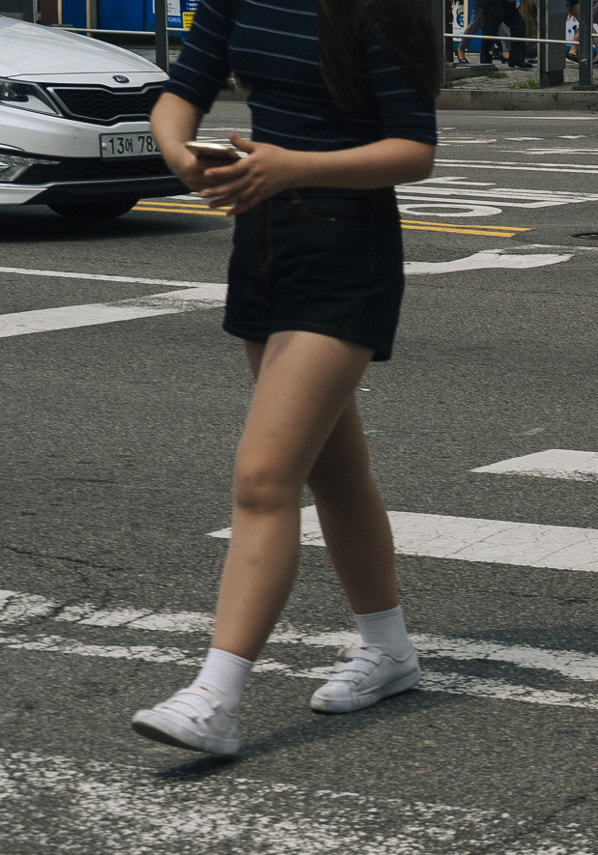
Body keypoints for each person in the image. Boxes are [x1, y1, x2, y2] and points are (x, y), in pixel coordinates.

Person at [135, 0, 438, 758]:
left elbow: (413, 150)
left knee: (265, 478)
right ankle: (390, 650)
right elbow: (183, 88)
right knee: (333, 472)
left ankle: (215, 698)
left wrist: (294, 165)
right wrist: (178, 151)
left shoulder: (380, 9)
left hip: (345, 247)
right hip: (263, 240)